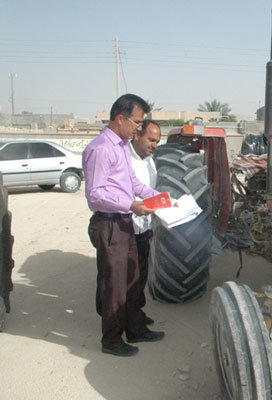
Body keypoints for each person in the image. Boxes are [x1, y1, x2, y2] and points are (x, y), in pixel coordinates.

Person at [84, 94, 164, 357]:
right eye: (137, 123)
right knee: (115, 287)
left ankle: (135, 329)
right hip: (110, 224)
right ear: (120, 118)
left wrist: (160, 199)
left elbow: (133, 184)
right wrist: (131, 205)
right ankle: (111, 341)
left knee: (132, 281)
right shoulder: (101, 149)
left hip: (124, 222)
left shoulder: (119, 146)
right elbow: (95, 194)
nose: (139, 128)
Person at [129, 120, 161, 325]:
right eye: (151, 140)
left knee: (140, 276)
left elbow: (149, 192)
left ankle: (135, 314)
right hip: (125, 228)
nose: (154, 145)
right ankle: (119, 320)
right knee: (126, 279)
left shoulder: (150, 161)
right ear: (137, 135)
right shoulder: (124, 159)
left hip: (143, 228)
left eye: (157, 141)